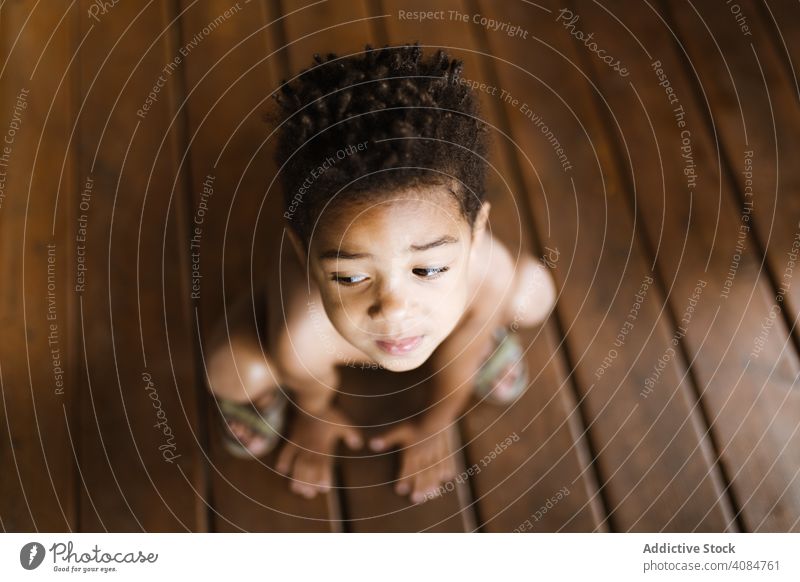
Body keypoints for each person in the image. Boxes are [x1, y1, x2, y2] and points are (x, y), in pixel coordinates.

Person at [206, 44, 556, 504]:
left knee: (533, 293)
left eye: (428, 268)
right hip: (299, 337)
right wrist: (315, 415)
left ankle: (486, 335)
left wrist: (437, 422)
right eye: (349, 276)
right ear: (303, 252)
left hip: (473, 303)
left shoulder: (486, 272)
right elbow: (310, 384)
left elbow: (468, 337)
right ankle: (262, 327)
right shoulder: (302, 334)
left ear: (476, 232)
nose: (392, 308)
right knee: (229, 371)